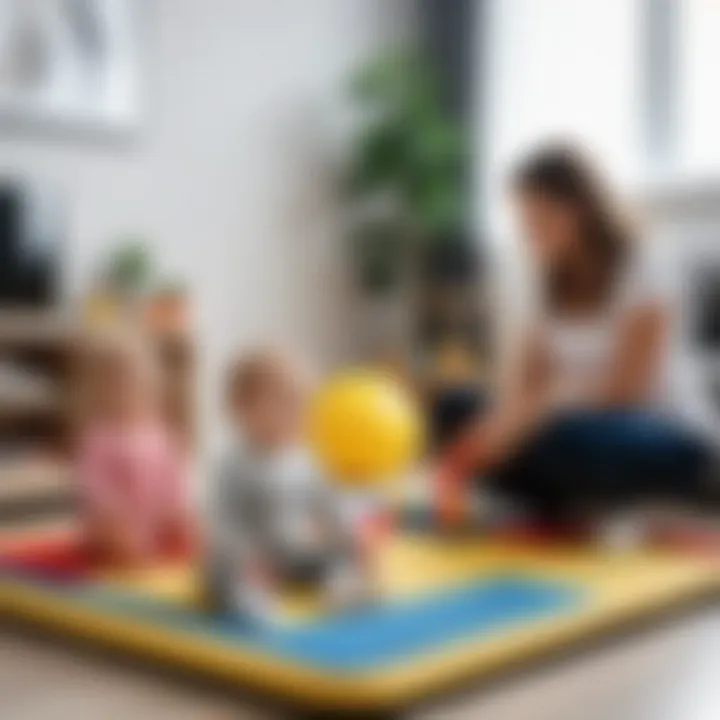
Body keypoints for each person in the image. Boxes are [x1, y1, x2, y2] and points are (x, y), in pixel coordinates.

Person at [437, 145, 717, 531]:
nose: (529, 231)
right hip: (567, 423)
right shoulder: (545, 283)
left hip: (661, 431)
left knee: (563, 439)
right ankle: (552, 497)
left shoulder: (646, 266)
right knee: (458, 407)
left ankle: (552, 494)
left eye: (540, 216)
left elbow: (628, 392)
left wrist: (536, 411)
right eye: (524, 218)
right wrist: (495, 429)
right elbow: (525, 385)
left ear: (581, 208)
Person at [203, 349, 369, 620]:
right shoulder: (233, 464)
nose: (294, 413)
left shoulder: (306, 460)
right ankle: (247, 600)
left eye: (300, 404)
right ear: (240, 408)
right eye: (282, 403)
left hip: (295, 550)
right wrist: (243, 554)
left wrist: (345, 531)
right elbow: (223, 519)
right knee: (221, 569)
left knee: (341, 553)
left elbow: (329, 504)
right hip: (253, 556)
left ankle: (341, 587)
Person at [78, 331, 189, 565]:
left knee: (192, 522)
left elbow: (173, 479)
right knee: (113, 529)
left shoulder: (159, 433)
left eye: (132, 380)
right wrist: (113, 518)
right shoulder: (100, 436)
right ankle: (134, 563)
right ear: (99, 390)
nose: (124, 390)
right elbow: (96, 489)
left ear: (151, 382)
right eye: (112, 383)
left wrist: (176, 510)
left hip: (154, 526)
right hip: (114, 531)